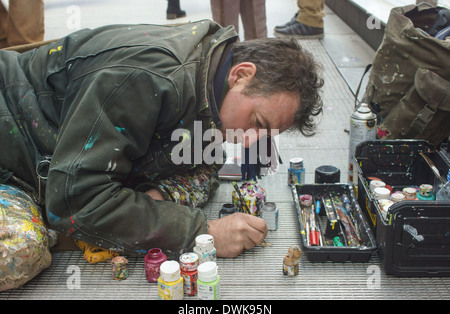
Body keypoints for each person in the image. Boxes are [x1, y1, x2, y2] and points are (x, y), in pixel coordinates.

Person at [0, 21, 323, 270]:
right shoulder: (149, 78)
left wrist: (158, 197)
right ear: (241, 75)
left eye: (265, 136)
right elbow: (74, 200)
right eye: (257, 123)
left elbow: (206, 164)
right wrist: (202, 232)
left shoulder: (210, 81)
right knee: (19, 251)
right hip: (13, 156)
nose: (249, 141)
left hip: (52, 157)